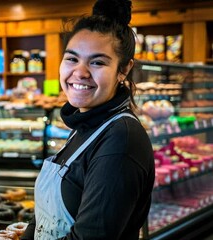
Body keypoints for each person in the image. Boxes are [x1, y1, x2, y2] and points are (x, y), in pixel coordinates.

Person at [21, 0, 155, 239]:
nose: (80, 72)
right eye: (72, 59)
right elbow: (43, 216)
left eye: (97, 62)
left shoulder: (121, 140)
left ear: (123, 69)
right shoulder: (84, 124)